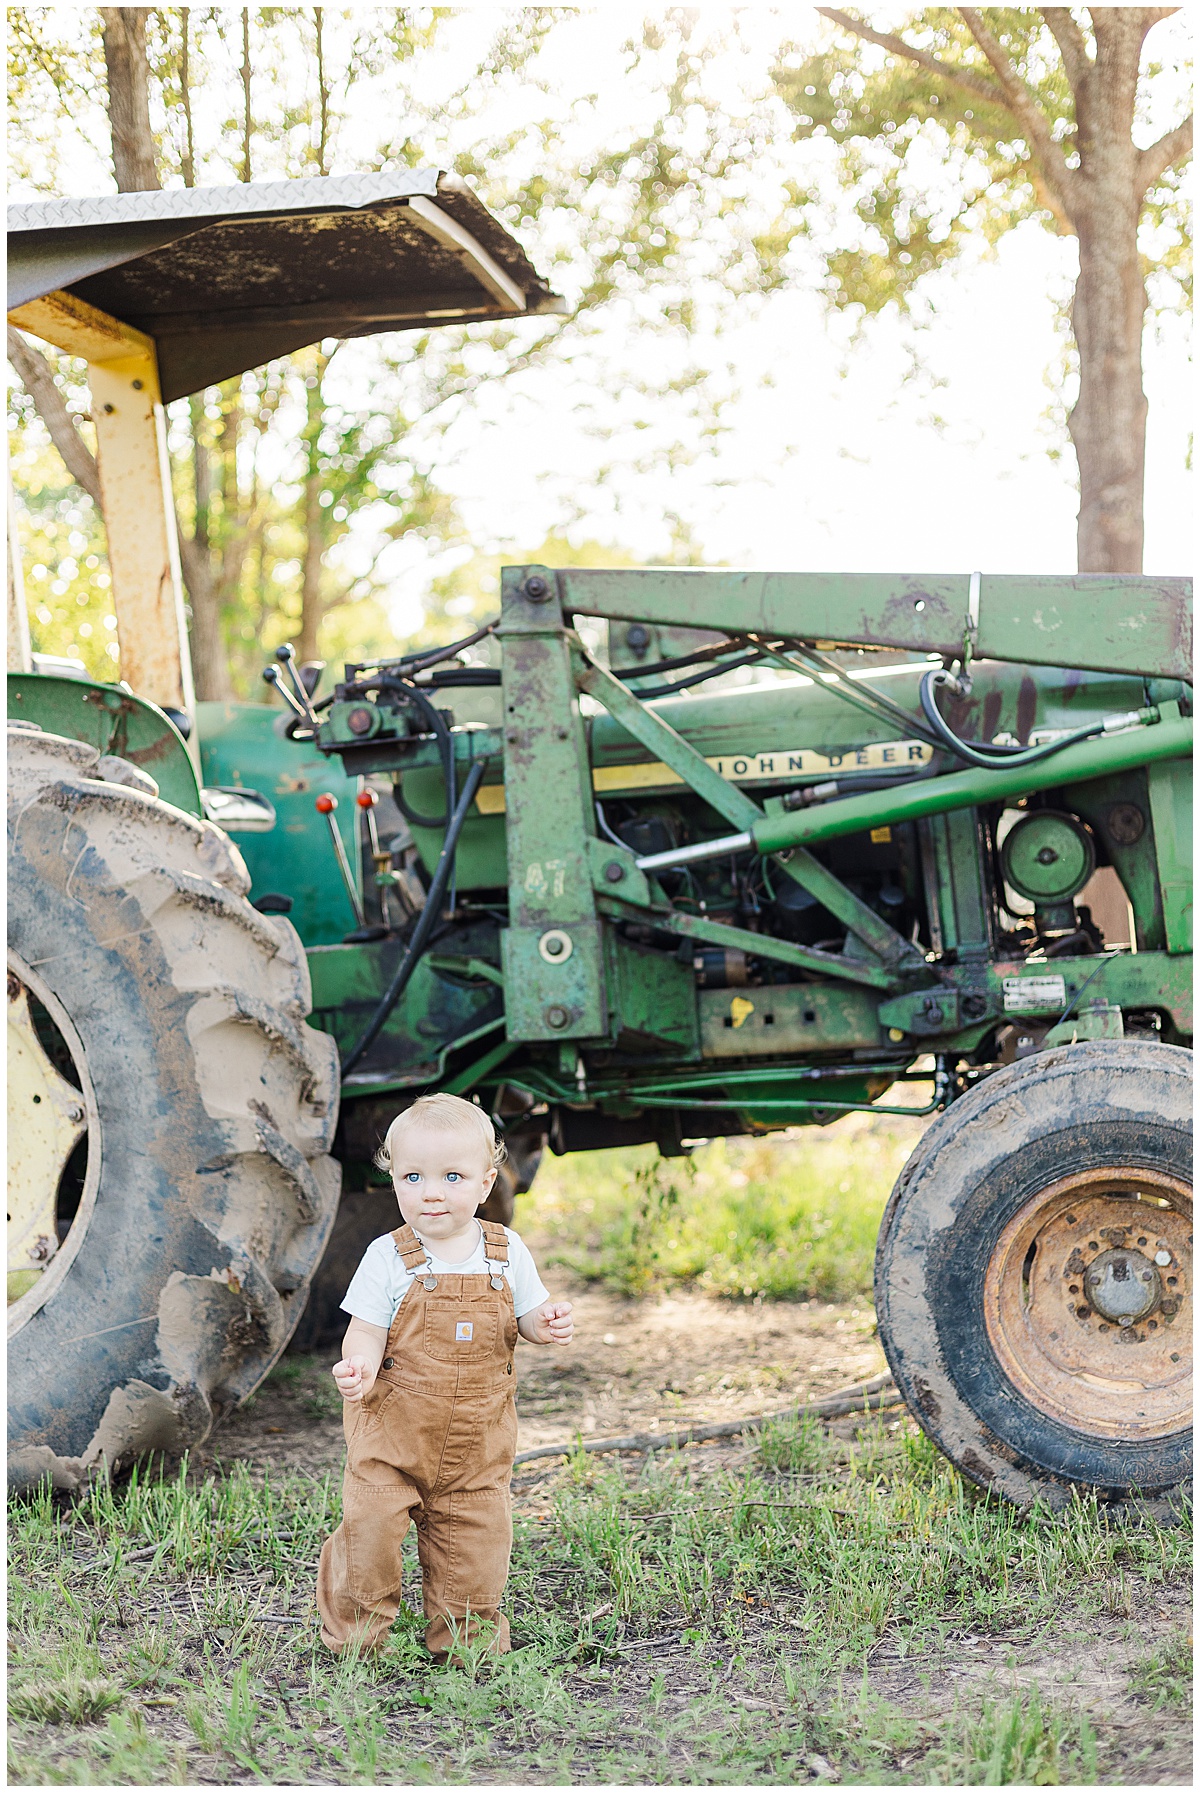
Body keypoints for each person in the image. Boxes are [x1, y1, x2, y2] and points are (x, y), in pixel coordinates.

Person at [316, 1092, 573, 1658]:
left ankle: (466, 1641)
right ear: (394, 1181)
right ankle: (356, 1638)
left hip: (479, 1441)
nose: (431, 1192)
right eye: (413, 1176)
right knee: (371, 1531)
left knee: (475, 1542)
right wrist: (357, 1363)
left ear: (486, 1183)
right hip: (393, 1435)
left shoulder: (507, 1254)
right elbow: (365, 1327)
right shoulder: (388, 1256)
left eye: (452, 1176)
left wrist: (545, 1323)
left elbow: (525, 1316)